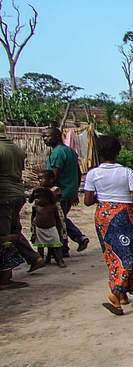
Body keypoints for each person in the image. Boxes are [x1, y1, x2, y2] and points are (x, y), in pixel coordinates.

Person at [82, 134, 133, 316]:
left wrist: (103, 197)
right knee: (126, 254)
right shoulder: (127, 172)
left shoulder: (92, 174)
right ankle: (116, 294)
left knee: (111, 254)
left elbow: (87, 201)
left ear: (99, 154)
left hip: (103, 216)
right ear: (118, 152)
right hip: (123, 215)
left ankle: (123, 293)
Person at [0, 122, 45, 288]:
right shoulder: (16, 149)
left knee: (3, 237)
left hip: (4, 195)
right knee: (13, 230)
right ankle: (33, 258)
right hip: (17, 193)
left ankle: (5, 278)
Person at [42, 125, 88, 255]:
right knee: (60, 218)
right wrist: (75, 190)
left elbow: (54, 176)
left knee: (58, 219)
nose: (45, 139)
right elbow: (78, 173)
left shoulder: (57, 153)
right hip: (69, 191)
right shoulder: (71, 151)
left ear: (57, 136)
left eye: (47, 136)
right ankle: (64, 248)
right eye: (43, 137)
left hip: (59, 193)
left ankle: (78, 238)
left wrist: (46, 192)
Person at [29, 187, 67, 267]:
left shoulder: (52, 207)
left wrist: (60, 230)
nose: (37, 200)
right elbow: (33, 218)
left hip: (51, 229)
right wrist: (33, 229)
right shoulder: (36, 207)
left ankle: (59, 260)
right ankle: (41, 259)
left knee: (56, 245)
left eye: (39, 198)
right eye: (36, 198)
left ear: (47, 198)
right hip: (39, 230)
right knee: (40, 246)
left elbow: (57, 219)